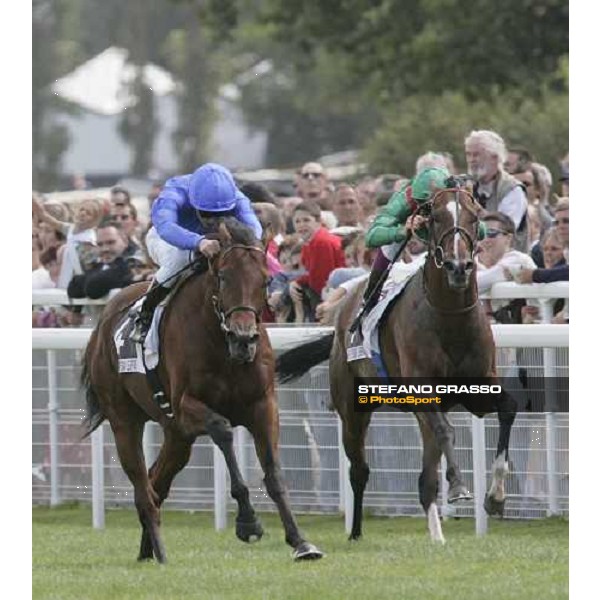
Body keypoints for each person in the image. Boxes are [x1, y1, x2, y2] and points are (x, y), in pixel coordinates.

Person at [130, 163, 262, 343]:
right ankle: (145, 313)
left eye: (222, 214)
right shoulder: (174, 191)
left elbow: (254, 229)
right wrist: (198, 242)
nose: (213, 220)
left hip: (214, 240)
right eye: (207, 214)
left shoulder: (236, 198)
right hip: (167, 239)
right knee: (178, 259)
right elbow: (166, 227)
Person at [354, 166, 451, 323]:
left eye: (432, 203)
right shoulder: (404, 198)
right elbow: (371, 237)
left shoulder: (456, 196)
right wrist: (401, 231)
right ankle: (369, 303)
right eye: (422, 203)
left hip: (443, 240)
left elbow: (481, 231)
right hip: (409, 241)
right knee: (389, 247)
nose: (427, 208)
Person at [465, 130, 528, 251]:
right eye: (468, 154)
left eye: (477, 154)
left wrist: (475, 208)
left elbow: (504, 229)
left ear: (494, 158)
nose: (471, 160)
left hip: (508, 262)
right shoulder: (468, 186)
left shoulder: (512, 189)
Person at [289, 202, 346, 321]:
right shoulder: (308, 242)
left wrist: (297, 282)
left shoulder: (321, 242)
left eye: (306, 220)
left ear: (318, 220)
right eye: (297, 221)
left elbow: (319, 280)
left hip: (334, 292)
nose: (301, 225)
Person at [67, 224, 138, 300]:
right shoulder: (101, 266)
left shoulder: (137, 263)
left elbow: (93, 289)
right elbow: (73, 288)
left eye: (111, 242)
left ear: (125, 241)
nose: (105, 249)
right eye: (100, 244)